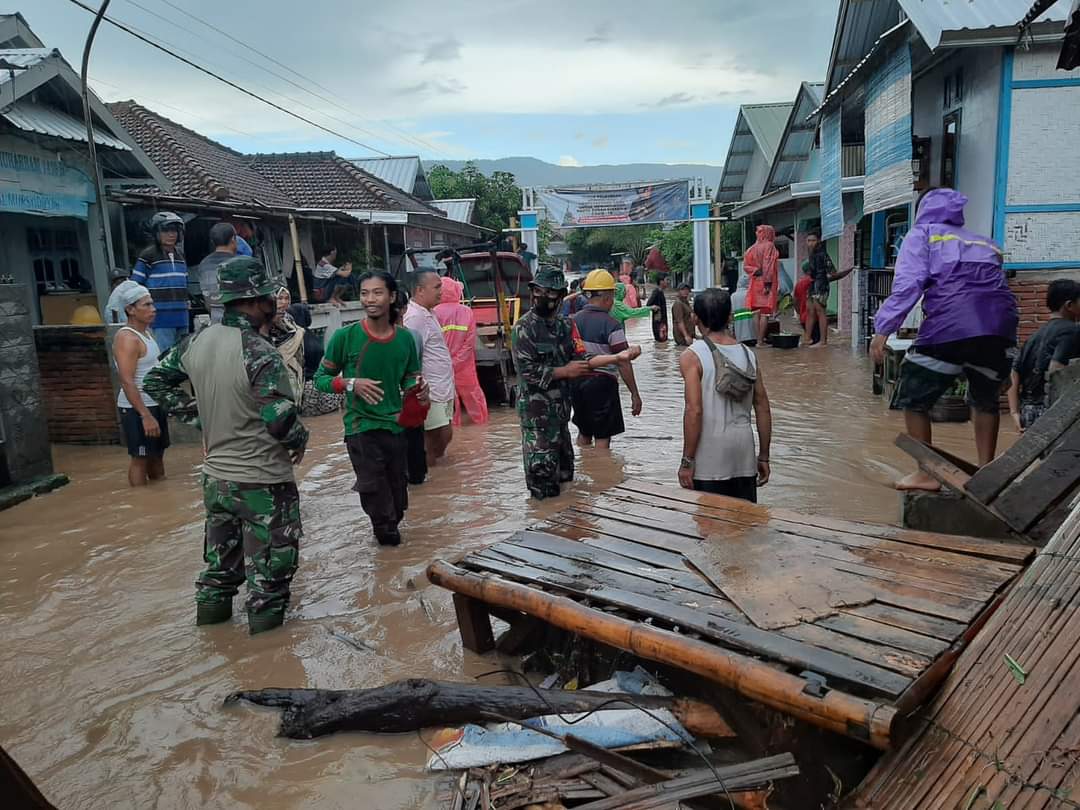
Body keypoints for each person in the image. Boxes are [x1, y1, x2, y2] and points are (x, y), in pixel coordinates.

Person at [144, 257, 309, 634]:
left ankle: (214, 647)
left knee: (219, 573)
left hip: (217, 481)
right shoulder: (259, 352)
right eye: (269, 296)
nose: (273, 302)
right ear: (256, 300)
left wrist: (200, 419)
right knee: (269, 583)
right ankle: (267, 670)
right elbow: (278, 418)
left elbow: (155, 382)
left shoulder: (197, 341)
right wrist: (301, 438)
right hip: (262, 481)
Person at [870, 188, 1019, 491]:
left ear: (923, 210)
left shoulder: (921, 235)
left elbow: (908, 285)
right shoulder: (986, 242)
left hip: (950, 324)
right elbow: (998, 295)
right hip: (999, 329)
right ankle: (986, 472)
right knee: (985, 401)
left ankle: (926, 473)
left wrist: (883, 329)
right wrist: (1004, 361)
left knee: (912, 396)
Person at [313, 271, 426, 546]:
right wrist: (351, 383)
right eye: (365, 293)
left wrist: (420, 388)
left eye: (377, 293)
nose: (370, 299)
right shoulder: (345, 337)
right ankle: (387, 552)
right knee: (379, 503)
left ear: (392, 297)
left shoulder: (405, 339)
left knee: (398, 499)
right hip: (360, 427)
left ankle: (388, 549)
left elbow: (410, 376)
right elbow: (320, 380)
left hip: (396, 426)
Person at [510, 266, 638, 499]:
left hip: (561, 416)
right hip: (537, 420)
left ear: (560, 296)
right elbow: (526, 371)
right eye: (538, 291)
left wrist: (618, 357)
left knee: (567, 478)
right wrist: (563, 371)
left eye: (549, 293)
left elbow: (583, 359)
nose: (542, 297)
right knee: (543, 484)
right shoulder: (523, 328)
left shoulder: (566, 326)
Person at [678, 288, 772, 503]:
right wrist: (764, 456)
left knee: (710, 528)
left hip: (710, 457)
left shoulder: (692, 356)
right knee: (744, 528)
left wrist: (687, 461)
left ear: (695, 318)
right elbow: (763, 407)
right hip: (744, 453)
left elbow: (694, 411)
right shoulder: (748, 354)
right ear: (730, 316)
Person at [572, 270, 644, 449]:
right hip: (603, 385)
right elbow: (623, 361)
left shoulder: (572, 321)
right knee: (603, 437)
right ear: (607, 298)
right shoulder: (612, 324)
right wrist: (634, 393)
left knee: (584, 432)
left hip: (577, 382)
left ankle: (583, 468)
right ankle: (603, 475)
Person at [113, 282, 170, 487]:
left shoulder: (147, 333)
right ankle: (139, 499)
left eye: (153, 304)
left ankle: (158, 500)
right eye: (146, 305)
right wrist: (144, 415)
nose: (153, 309)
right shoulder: (127, 338)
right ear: (130, 309)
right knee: (140, 458)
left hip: (154, 403)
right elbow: (127, 380)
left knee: (157, 455)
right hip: (137, 408)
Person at [1007, 279, 1080, 430]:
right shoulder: (1072, 331)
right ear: (1069, 305)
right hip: (1054, 410)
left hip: (1028, 412)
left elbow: (1014, 373)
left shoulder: (1034, 336)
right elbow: (1057, 369)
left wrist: (1014, 412)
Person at [404, 270, 456, 465]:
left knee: (444, 435)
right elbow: (412, 356)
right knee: (436, 437)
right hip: (430, 390)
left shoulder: (428, 313)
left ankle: (436, 476)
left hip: (443, 387)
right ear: (420, 290)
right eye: (437, 287)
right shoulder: (415, 318)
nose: (441, 291)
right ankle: (428, 475)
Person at [434, 275, 489, 426]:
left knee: (448, 403)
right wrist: (456, 362)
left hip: (441, 366)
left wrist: (446, 363)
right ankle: (482, 429)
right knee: (474, 399)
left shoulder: (433, 312)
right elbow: (469, 343)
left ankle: (455, 430)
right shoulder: (466, 312)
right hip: (464, 366)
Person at [131, 211, 189, 352]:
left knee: (183, 355)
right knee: (164, 356)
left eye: (174, 230)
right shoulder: (148, 255)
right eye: (166, 230)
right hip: (160, 316)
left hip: (182, 315)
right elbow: (135, 286)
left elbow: (185, 282)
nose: (171, 234)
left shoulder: (181, 255)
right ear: (156, 232)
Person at [395, 289, 428, 486]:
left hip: (398, 401)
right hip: (410, 398)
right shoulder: (413, 336)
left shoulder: (412, 336)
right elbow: (418, 368)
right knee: (415, 448)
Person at [802, 230, 854, 348]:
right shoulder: (811, 255)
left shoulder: (823, 255)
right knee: (810, 312)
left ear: (819, 241)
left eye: (813, 240)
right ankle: (807, 338)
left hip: (821, 287)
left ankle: (823, 341)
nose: (810, 243)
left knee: (820, 312)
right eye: (808, 241)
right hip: (811, 286)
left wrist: (847, 271)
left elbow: (833, 273)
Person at [266, 286, 305, 405]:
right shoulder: (265, 321)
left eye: (287, 298)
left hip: (295, 369)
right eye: (280, 298)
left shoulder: (289, 319)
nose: (284, 302)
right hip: (277, 372)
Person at [744, 224, 780, 346]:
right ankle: (760, 341)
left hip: (754, 282)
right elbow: (768, 266)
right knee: (765, 313)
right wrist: (768, 284)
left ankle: (758, 340)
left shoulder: (751, 249)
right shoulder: (769, 246)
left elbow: (746, 267)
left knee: (756, 313)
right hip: (766, 282)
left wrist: (755, 271)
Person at [197, 222, 238, 325]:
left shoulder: (204, 264)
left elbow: (207, 300)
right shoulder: (239, 263)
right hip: (237, 322)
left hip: (215, 321)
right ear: (233, 239)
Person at [731, 273, 756, 344]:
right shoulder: (751, 294)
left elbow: (731, 312)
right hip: (752, 334)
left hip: (739, 333)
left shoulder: (733, 296)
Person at [646, 276, 670, 343]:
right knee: (661, 341)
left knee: (663, 342)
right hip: (658, 322)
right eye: (666, 280)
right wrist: (655, 308)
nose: (668, 282)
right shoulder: (656, 292)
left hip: (662, 321)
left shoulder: (660, 292)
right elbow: (648, 304)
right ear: (661, 282)